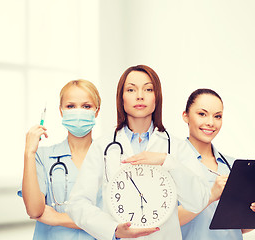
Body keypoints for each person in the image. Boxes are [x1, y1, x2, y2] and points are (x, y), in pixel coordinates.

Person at [66, 65, 211, 240]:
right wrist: (113, 230)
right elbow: (77, 203)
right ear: (121, 98)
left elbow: (199, 200)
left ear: (157, 97)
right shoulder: (103, 146)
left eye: (148, 89)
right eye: (131, 89)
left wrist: (167, 161)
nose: (140, 95)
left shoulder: (176, 147)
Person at [178, 88, 255, 239]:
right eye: (202, 114)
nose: (210, 122)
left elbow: (234, 228)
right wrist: (210, 196)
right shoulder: (172, 162)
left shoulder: (233, 166)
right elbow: (167, 222)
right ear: (186, 116)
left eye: (217, 116)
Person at [18, 79, 101, 239]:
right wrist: (29, 152)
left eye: (86, 106)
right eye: (70, 106)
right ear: (61, 111)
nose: (78, 112)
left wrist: (56, 218)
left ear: (96, 111)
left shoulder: (108, 157)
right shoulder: (42, 157)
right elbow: (35, 210)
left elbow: (114, 220)